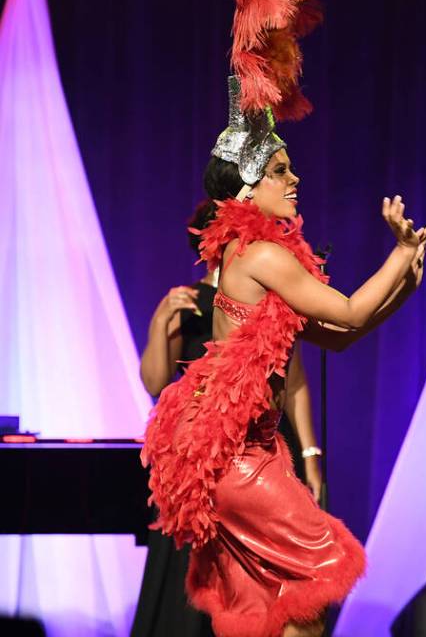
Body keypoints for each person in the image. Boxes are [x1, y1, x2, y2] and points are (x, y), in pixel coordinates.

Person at [141, 0, 426, 637]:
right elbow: (346, 310)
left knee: (267, 610)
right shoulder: (262, 251)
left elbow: (335, 337)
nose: (293, 180)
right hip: (231, 452)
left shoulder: (260, 253)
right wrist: (397, 258)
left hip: (246, 445)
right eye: (279, 171)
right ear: (247, 185)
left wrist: (404, 281)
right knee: (322, 570)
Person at [132, 202, 324, 637]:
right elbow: (156, 381)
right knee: (205, 570)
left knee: (272, 572)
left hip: (264, 439)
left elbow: (293, 381)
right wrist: (161, 322)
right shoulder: (189, 301)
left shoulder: (267, 293)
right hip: (207, 447)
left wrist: (311, 453)